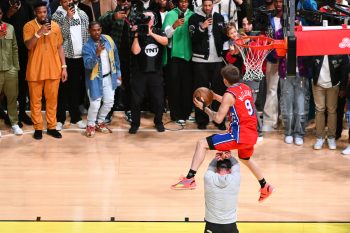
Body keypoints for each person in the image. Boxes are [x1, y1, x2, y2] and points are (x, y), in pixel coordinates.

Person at [171, 64, 274, 202]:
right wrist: (214, 96)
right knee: (245, 159)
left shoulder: (228, 94)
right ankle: (265, 186)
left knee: (202, 144)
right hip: (252, 134)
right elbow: (232, 101)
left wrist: (205, 108)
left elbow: (218, 118)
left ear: (225, 80)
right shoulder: (246, 88)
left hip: (238, 136)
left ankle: (190, 179)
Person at [23, 1, 67, 140]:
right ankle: (38, 129)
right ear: (35, 13)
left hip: (54, 69)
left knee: (52, 101)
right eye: (39, 12)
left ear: (47, 11)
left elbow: (60, 47)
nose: (42, 14)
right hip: (35, 70)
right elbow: (28, 46)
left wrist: (64, 67)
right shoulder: (29, 26)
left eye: (44, 12)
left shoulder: (55, 26)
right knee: (35, 101)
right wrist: (39, 33)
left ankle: (52, 127)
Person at [188, 0, 227, 130]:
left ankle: (219, 120)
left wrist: (230, 34)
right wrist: (201, 28)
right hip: (200, 61)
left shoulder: (219, 17)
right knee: (201, 91)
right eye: (205, 5)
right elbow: (192, 39)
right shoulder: (194, 18)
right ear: (202, 4)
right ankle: (201, 120)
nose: (207, 8)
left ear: (213, 5)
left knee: (218, 91)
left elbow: (222, 37)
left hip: (217, 60)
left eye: (210, 5)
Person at [52, 0, 89, 131]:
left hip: (81, 57)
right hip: (65, 57)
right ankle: (60, 119)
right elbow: (60, 37)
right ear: (61, 2)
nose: (68, 2)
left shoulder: (83, 14)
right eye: (65, 0)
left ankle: (76, 118)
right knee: (62, 90)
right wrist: (67, 18)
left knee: (76, 89)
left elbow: (87, 35)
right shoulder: (56, 16)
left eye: (69, 0)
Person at [129, 11, 168, 134]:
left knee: (158, 99)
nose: (147, 20)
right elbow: (135, 51)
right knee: (136, 100)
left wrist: (150, 33)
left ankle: (159, 122)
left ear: (153, 20)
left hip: (155, 72)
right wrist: (136, 35)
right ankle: (135, 123)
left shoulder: (158, 30)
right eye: (145, 17)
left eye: (149, 18)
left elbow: (165, 42)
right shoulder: (137, 32)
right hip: (139, 72)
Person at [82, 21, 122, 137]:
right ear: (89, 31)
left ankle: (100, 122)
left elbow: (116, 57)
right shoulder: (87, 47)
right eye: (94, 30)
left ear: (101, 29)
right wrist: (97, 53)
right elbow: (88, 65)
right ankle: (90, 125)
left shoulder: (108, 40)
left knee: (109, 102)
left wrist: (118, 73)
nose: (97, 32)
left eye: (98, 30)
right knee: (95, 104)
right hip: (94, 80)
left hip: (110, 77)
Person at [1, 0, 34, 126]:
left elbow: (32, 25)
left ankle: (22, 114)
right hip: (5, 52)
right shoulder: (3, 4)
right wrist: (8, 14)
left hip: (24, 51)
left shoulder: (27, 5)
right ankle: (10, 115)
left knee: (22, 84)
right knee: (7, 86)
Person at [162, 0, 194, 125]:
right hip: (174, 56)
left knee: (187, 86)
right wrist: (174, 26)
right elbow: (165, 35)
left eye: (186, 1)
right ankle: (176, 114)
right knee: (174, 86)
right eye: (181, 1)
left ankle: (186, 114)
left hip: (189, 56)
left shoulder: (192, 15)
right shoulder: (170, 14)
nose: (183, 4)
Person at [310, 55, 349, 150]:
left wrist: (343, 87)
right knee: (319, 110)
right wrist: (312, 78)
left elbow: (344, 69)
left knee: (332, 110)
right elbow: (310, 63)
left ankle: (331, 137)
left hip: (334, 84)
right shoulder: (316, 49)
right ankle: (320, 137)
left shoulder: (338, 51)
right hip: (318, 84)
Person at [0, 6, 23, 137]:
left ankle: (14, 123)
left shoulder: (9, 27)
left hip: (10, 69)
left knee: (12, 97)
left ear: (2, 14)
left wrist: (16, 67)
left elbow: (14, 48)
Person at [204, 155, 240, 233]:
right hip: (230, 225)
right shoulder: (236, 178)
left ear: (216, 169)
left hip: (211, 224)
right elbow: (236, 164)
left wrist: (217, 157)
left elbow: (211, 166)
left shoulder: (208, 177)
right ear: (230, 170)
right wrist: (229, 155)